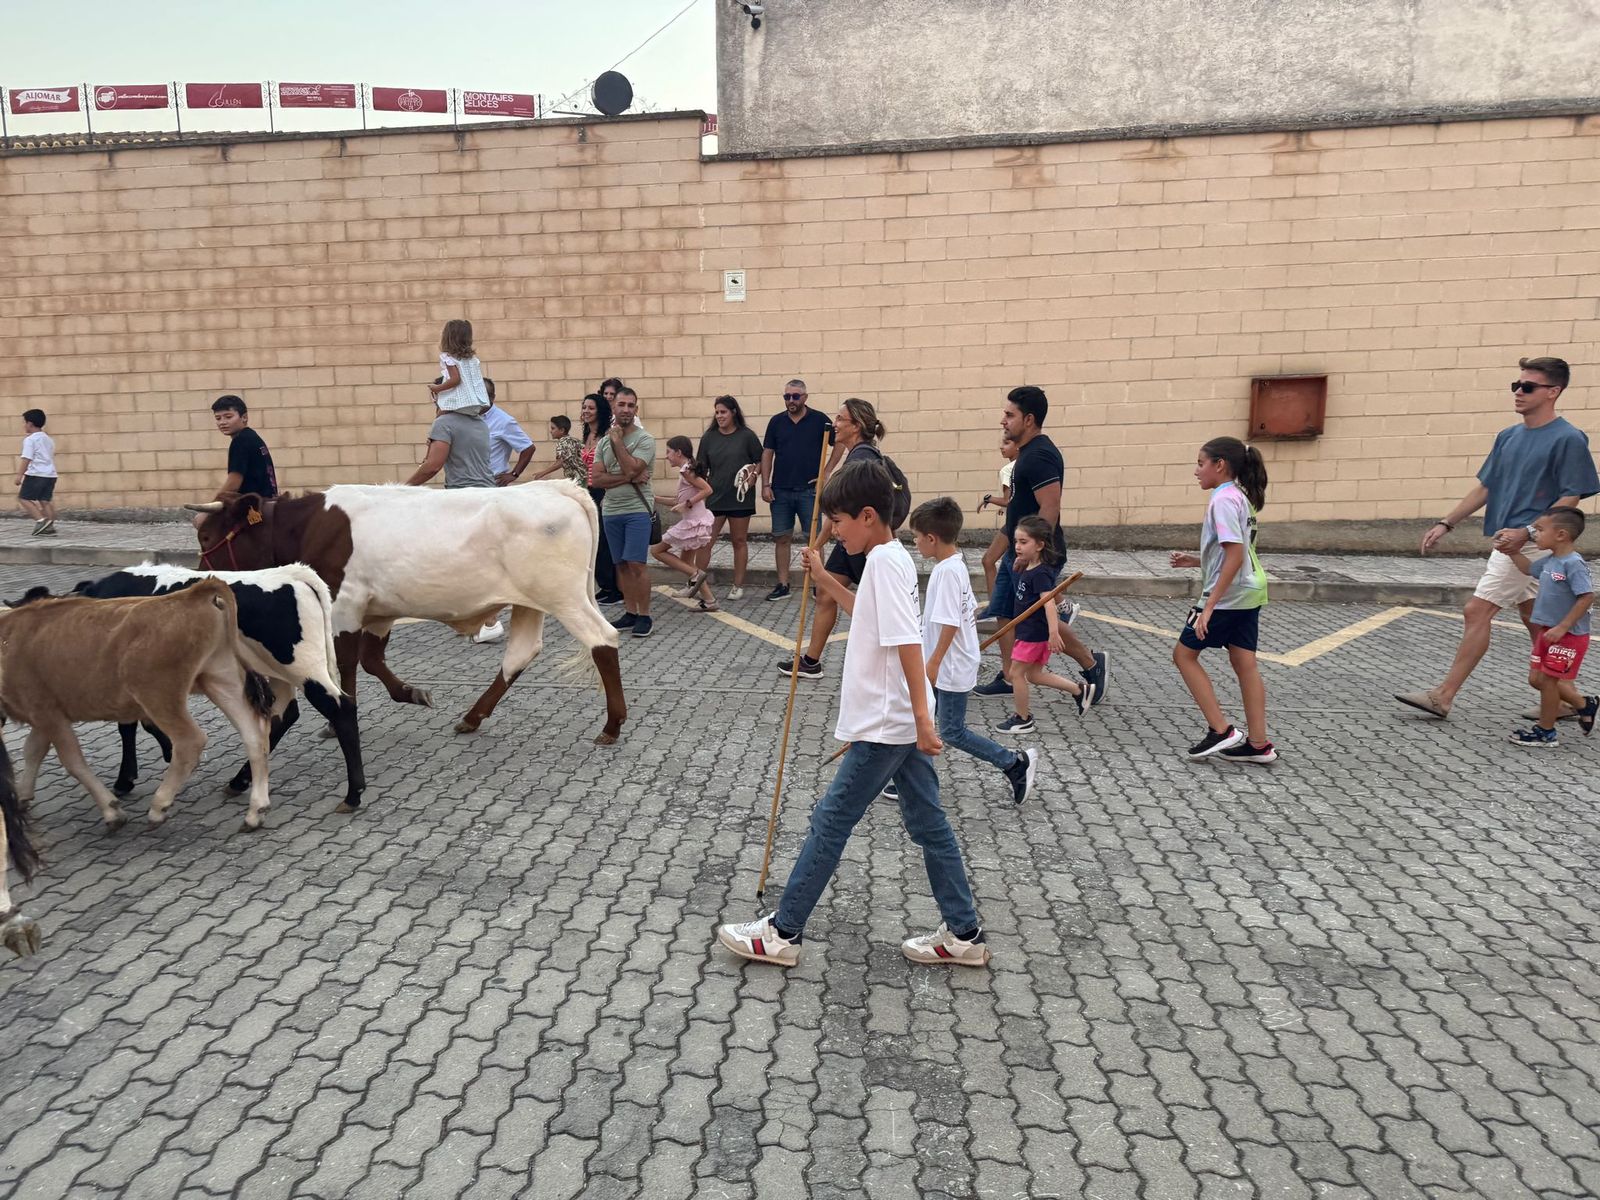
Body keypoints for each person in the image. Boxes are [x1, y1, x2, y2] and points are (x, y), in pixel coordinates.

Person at [716, 461, 990, 969]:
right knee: (929, 823)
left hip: (890, 724)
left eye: (839, 521)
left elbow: (908, 642)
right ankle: (964, 933)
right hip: (900, 719)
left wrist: (923, 720)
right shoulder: (892, 558)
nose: (835, 531)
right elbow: (868, 611)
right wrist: (824, 578)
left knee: (831, 820)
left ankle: (783, 932)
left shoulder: (886, 562)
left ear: (868, 515)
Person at [1397, 357, 1599, 720]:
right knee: (1535, 619)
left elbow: (1571, 496)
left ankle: (1443, 696)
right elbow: (1487, 487)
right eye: (1516, 386)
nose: (1519, 392)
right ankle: (1572, 700)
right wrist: (1446, 523)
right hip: (1510, 540)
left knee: (1477, 610)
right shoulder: (1508, 436)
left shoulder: (1568, 438)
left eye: (1528, 387)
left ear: (1553, 392)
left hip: (1531, 545)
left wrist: (1530, 532)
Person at [975, 386, 1108, 705]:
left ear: (1029, 419)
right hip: (1017, 550)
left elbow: (1049, 509)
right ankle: (1009, 675)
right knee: (1005, 612)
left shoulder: (1041, 456)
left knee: (1033, 615)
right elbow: (1021, 507)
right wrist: (1001, 549)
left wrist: (1033, 556)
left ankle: (1092, 664)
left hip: (1037, 555)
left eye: (1009, 415)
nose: (1002, 421)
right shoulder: (1026, 455)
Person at [906, 496, 1039, 805]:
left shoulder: (946, 572)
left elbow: (950, 623)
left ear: (931, 538)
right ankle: (908, 779)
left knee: (951, 731)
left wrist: (934, 662)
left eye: (916, 537)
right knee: (920, 718)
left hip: (950, 667)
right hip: (950, 662)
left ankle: (1014, 763)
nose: (915, 543)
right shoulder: (953, 564)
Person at [1166, 437, 1274, 761]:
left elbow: (1236, 552)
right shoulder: (1241, 496)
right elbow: (1235, 551)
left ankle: (1221, 730)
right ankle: (1258, 744)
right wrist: (1198, 560)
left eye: (1201, 463)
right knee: (1244, 663)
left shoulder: (1223, 500)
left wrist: (1209, 606)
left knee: (1184, 656)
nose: (1196, 471)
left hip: (1229, 596)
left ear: (1220, 465)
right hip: (1251, 589)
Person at [779, 398, 887, 678]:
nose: (834, 424)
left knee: (876, 607)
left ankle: (894, 659)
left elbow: (844, 514)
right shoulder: (856, 455)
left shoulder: (862, 458)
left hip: (863, 544)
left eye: (840, 420)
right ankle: (811, 661)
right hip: (848, 541)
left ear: (857, 426)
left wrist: (815, 546)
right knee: (826, 593)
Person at [1506, 507, 1599, 745]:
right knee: (1536, 680)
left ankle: (1546, 732)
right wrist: (1511, 551)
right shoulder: (1551, 560)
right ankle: (1583, 704)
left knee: (1548, 681)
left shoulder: (1573, 563)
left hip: (1568, 635)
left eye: (1539, 529)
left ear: (1561, 535)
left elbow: (1587, 596)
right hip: (1549, 632)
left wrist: (1563, 626)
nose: (1534, 534)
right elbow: (1528, 569)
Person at [999, 516, 1094, 734]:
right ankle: (1080, 691)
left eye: (1024, 542)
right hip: (1029, 631)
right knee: (1034, 675)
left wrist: (1053, 633)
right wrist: (1020, 565)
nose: (1018, 546)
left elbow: (1048, 603)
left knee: (1015, 674)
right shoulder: (1030, 567)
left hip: (1034, 633)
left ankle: (1022, 718)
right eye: (1016, 542)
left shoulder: (1041, 573)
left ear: (1040, 545)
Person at [760, 379, 834, 600]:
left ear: (805, 397)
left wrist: (827, 471)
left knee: (814, 540)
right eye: (786, 397)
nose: (790, 401)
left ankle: (817, 583)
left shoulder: (820, 420)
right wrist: (765, 484)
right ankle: (783, 584)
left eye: (795, 396)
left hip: (809, 491)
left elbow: (839, 443)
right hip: (780, 490)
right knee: (781, 537)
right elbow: (767, 453)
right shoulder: (776, 422)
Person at [592, 386, 657, 638]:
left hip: (636, 510)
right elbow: (596, 479)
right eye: (622, 405)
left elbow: (633, 468)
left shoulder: (644, 439)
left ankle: (644, 615)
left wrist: (618, 442)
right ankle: (630, 612)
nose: (626, 410)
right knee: (620, 564)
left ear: (636, 409)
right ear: (614, 407)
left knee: (636, 563)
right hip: (611, 510)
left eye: (631, 405)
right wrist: (627, 476)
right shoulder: (603, 442)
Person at [693, 395, 763, 600]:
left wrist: (754, 475)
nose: (719, 416)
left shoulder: (747, 436)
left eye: (723, 412)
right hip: (715, 498)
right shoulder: (709, 438)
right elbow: (701, 468)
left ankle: (737, 585)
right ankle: (696, 583)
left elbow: (759, 460)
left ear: (733, 412)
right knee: (706, 541)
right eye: (717, 412)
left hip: (741, 499)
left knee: (739, 541)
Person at [651, 436, 718, 610]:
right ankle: (709, 600)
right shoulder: (687, 470)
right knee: (687, 564)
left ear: (678, 452)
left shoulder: (686, 470)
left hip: (693, 523)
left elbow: (707, 490)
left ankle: (695, 575)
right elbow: (677, 501)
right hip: (695, 521)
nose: (666, 456)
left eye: (668, 452)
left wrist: (687, 504)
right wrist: (655, 499)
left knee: (656, 550)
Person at [195, 395, 277, 529]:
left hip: (253, 507)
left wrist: (210, 508)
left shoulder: (240, 442)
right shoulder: (252, 436)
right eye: (218, 418)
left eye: (228, 417)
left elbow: (233, 483)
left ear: (244, 417)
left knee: (201, 521)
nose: (222, 422)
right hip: (267, 503)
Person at [405, 379, 495, 489]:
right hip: (489, 488)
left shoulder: (444, 423)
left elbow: (432, 467)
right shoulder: (479, 422)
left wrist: (402, 489)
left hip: (463, 492)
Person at [580, 394, 622, 605]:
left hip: (603, 492)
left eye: (591, 408)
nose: (586, 411)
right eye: (584, 407)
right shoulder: (587, 433)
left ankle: (614, 588)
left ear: (600, 411)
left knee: (604, 542)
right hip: (587, 491)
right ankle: (605, 585)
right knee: (593, 542)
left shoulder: (607, 435)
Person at [978, 433, 1018, 607]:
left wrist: (989, 498)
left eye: (1007, 443)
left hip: (1014, 525)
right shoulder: (1024, 464)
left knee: (988, 561)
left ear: (1018, 446)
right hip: (1024, 524)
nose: (1002, 447)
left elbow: (1009, 500)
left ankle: (996, 607)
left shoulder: (1007, 470)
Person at [481, 379, 535, 486]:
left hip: (492, 484)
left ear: (492, 398)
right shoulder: (469, 417)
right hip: (470, 483)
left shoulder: (504, 421)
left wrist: (514, 474)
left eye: (481, 396)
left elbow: (528, 448)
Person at [431, 319, 490, 415]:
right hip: (475, 401)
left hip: (458, 401)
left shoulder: (449, 358)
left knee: (440, 416)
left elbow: (455, 380)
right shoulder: (472, 359)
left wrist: (437, 388)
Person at [16, 409, 57, 537]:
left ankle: (40, 521)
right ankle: (49, 526)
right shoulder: (48, 439)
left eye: (25, 422)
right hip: (50, 474)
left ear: (30, 424)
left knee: (23, 498)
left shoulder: (30, 440)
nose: (24, 425)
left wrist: (19, 475)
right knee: (45, 500)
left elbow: (26, 458)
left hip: (36, 474)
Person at [533, 415, 586, 484]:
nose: (550, 431)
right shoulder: (574, 440)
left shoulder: (561, 442)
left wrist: (543, 473)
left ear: (562, 430)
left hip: (577, 480)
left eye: (553, 428)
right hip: (585, 477)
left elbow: (560, 462)